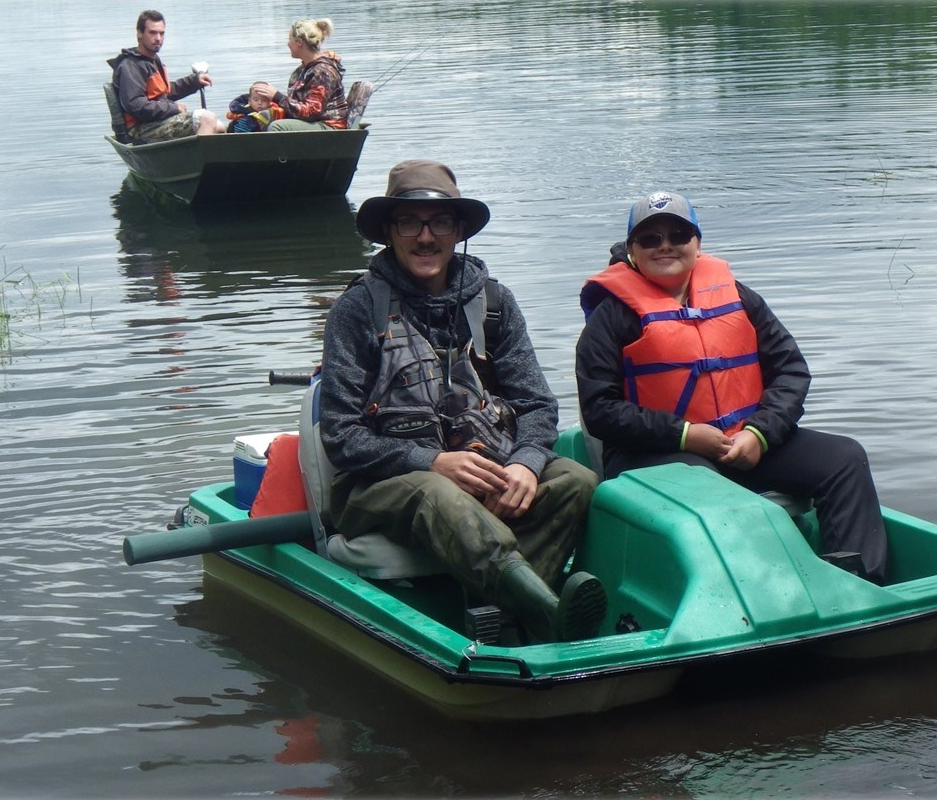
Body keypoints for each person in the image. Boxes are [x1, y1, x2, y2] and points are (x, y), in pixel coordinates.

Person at [317, 160, 605, 643]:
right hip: (380, 486)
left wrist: (527, 465)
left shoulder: (495, 303)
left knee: (575, 479)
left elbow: (536, 404)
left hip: (485, 464)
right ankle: (547, 613)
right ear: (389, 231)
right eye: (409, 222)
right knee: (439, 492)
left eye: (440, 223)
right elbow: (341, 436)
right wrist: (431, 461)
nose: (425, 237)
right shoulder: (357, 309)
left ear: (460, 229)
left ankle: (498, 614)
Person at [575, 191, 890, 584]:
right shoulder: (611, 317)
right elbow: (600, 409)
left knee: (845, 457)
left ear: (698, 243)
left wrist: (760, 432)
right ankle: (748, 598)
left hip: (743, 441)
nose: (666, 245)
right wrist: (686, 435)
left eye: (678, 234)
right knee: (708, 486)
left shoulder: (739, 297)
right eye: (650, 239)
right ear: (633, 250)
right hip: (654, 453)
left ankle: (859, 582)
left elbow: (791, 371)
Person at [108, 9, 226, 143]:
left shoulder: (152, 61)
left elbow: (167, 91)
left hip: (157, 122)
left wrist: (195, 81)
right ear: (140, 33)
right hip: (140, 129)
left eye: (161, 33)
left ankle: (216, 161)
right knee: (207, 119)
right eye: (152, 32)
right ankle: (201, 163)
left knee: (220, 126)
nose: (158, 38)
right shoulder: (131, 66)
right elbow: (136, 105)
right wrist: (173, 108)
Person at [252, 18, 347, 132]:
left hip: (329, 126)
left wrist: (277, 96)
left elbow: (311, 112)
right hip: (313, 123)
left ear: (299, 42)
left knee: (277, 127)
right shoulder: (303, 70)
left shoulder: (322, 72)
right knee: (262, 117)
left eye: (289, 39)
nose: (288, 44)